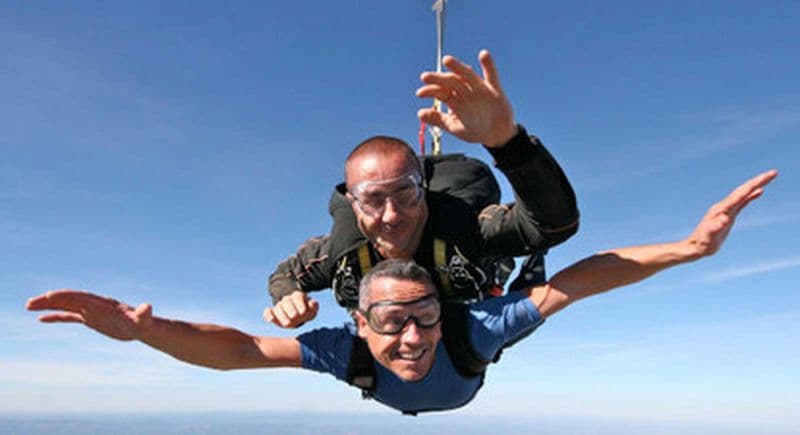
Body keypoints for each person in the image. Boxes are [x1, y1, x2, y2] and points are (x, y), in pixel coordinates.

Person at [27, 170, 777, 414]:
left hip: (475, 306)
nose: (413, 337)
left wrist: (689, 248)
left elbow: (580, 280)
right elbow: (244, 349)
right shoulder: (347, 348)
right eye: (391, 321)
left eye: (423, 318)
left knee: (536, 269)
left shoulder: (472, 327)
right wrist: (147, 332)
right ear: (361, 320)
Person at [265, 50, 580, 328]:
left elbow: (554, 225)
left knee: (508, 324)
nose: (391, 215)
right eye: (373, 200)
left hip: (469, 311)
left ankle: (527, 264)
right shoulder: (342, 255)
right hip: (403, 334)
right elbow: (284, 275)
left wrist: (508, 143)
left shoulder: (469, 230)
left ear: (423, 191)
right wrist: (288, 298)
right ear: (353, 203)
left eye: (405, 195)